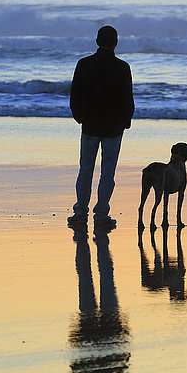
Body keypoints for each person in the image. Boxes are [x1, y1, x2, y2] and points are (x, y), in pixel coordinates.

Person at [68, 25, 134, 228]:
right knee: (108, 171)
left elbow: (74, 96)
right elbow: (127, 100)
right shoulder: (122, 68)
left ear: (97, 41)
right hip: (113, 127)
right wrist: (126, 121)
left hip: (90, 124)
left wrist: (80, 118)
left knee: (85, 169)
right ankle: (101, 213)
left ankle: (80, 212)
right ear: (115, 43)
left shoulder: (84, 64)